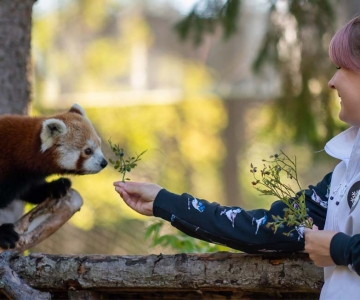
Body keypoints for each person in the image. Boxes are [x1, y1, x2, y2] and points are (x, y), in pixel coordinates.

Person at [114, 14, 360, 300]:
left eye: (342, 66)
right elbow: (263, 230)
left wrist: (339, 249)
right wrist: (165, 202)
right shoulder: (344, 173)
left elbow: (339, 248)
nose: (331, 81)